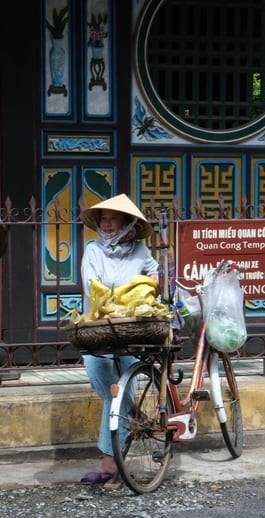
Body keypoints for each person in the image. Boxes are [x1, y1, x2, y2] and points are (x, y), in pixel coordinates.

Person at [78, 193, 159, 488]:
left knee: (120, 388)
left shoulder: (140, 251)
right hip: (98, 326)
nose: (107, 224)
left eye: (113, 219)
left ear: (127, 224)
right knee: (109, 387)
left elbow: (154, 273)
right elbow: (91, 285)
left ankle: (109, 463)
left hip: (133, 329)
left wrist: (150, 283)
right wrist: (120, 298)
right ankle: (136, 416)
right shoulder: (93, 250)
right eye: (103, 219)